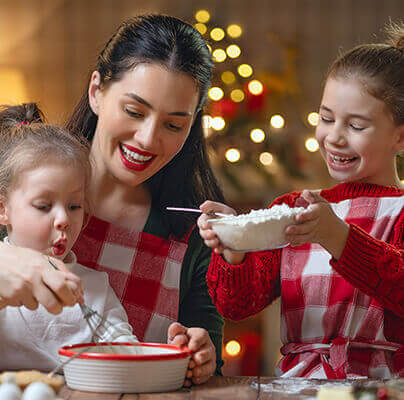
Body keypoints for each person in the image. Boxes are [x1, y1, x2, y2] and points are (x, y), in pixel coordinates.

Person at [0, 15, 224, 385]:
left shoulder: (193, 236)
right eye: (134, 111)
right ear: (97, 92)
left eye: (173, 125)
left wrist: (200, 355)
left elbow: (206, 366)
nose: (148, 139)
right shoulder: (19, 181)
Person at [198, 24, 404, 378]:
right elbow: (238, 304)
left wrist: (338, 237)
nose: (334, 137)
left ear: (400, 138)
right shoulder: (293, 208)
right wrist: (234, 245)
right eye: (326, 119)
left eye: (356, 126)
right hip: (299, 387)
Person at [0, 103, 138, 371]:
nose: (64, 219)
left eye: (74, 206)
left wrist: (176, 352)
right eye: (43, 206)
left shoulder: (95, 288)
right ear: (3, 209)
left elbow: (126, 353)